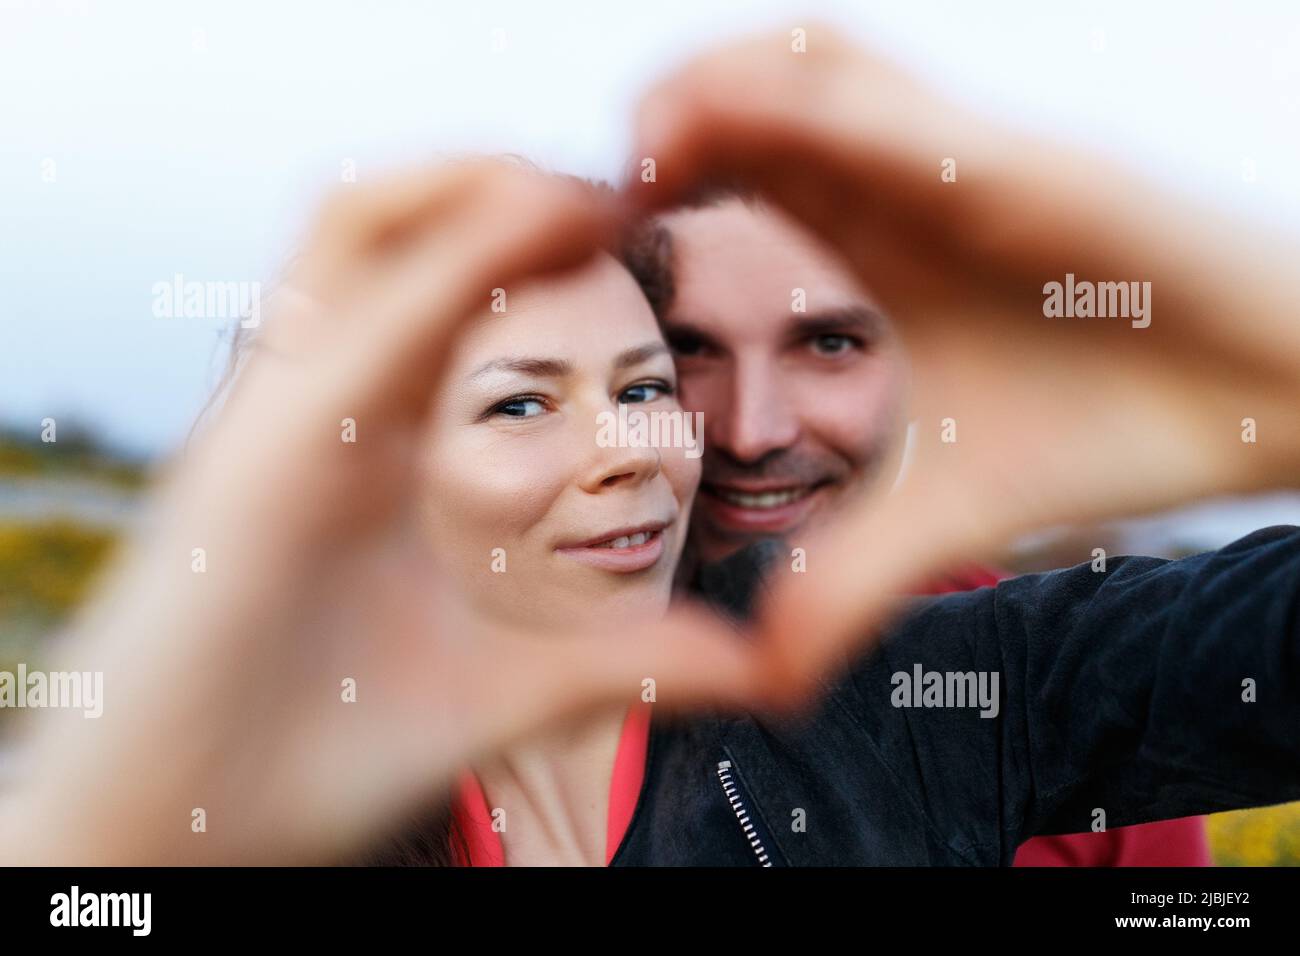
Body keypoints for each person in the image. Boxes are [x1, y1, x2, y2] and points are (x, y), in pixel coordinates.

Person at [2, 29, 1300, 865]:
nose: (638, 451)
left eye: (639, 384)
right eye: (521, 403)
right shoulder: (269, 800)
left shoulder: (898, 695)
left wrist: (1270, 351)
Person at [622, 188, 1211, 865]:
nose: (750, 432)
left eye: (830, 343)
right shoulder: (525, 695)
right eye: (686, 348)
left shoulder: (1061, 685)